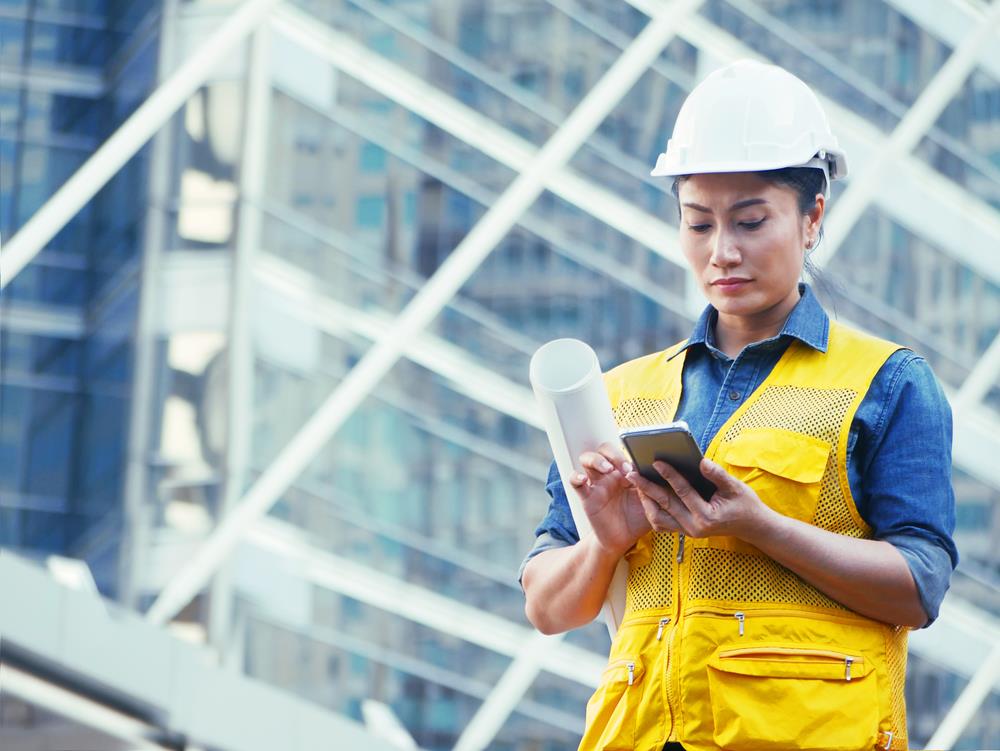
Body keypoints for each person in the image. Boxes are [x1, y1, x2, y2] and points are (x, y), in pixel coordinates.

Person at [519, 60, 957, 751]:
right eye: (699, 225)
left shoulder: (888, 382)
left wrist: (761, 526)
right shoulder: (619, 398)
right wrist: (606, 540)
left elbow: (919, 587)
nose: (723, 252)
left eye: (751, 222)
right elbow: (547, 606)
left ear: (813, 215)